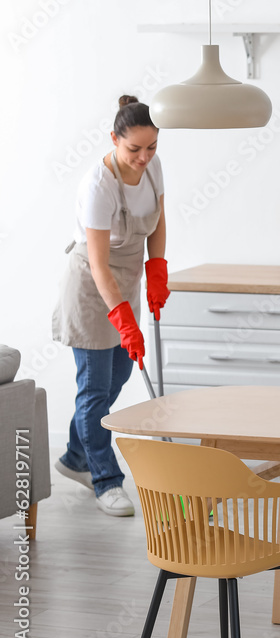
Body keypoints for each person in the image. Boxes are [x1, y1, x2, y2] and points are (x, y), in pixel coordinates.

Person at [51, 95, 169, 517]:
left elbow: (159, 220)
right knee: (95, 390)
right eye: (133, 149)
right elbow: (99, 265)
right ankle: (106, 479)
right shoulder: (98, 186)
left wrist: (158, 269)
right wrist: (122, 319)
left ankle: (75, 456)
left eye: (151, 147)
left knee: (116, 378)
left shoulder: (152, 167)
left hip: (129, 280)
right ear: (114, 140)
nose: (143, 157)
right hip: (91, 287)